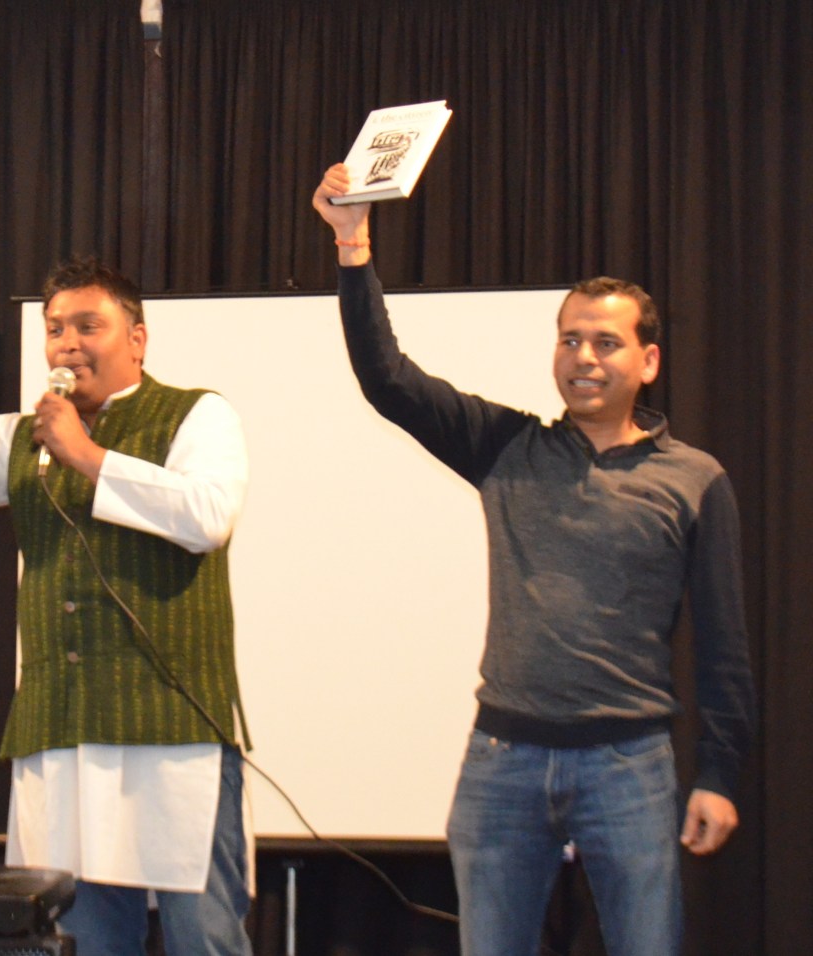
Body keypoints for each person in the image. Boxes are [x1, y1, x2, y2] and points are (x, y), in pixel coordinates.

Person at [313, 164, 754, 956]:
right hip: (503, 762)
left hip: (628, 765)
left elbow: (725, 649)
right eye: (570, 339)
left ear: (649, 361)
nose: (584, 356)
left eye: (607, 342)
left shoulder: (694, 479)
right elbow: (388, 380)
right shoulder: (507, 448)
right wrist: (353, 249)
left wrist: (719, 775)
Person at [0, 257, 254, 956]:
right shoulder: (20, 434)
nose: (68, 343)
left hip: (171, 734)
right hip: (60, 734)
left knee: (202, 939)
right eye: (55, 328)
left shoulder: (197, 413)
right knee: (79, 940)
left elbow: (207, 516)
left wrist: (85, 455)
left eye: (89, 326)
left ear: (137, 339)